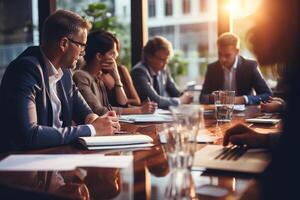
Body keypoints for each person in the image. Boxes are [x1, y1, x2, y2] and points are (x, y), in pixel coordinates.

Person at [0, 10, 120, 153]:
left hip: (57, 158)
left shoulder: (66, 73)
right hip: (23, 165)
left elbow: (85, 112)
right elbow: (29, 135)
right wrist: (92, 129)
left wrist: (97, 120)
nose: (83, 53)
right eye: (81, 45)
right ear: (64, 43)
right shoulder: (25, 70)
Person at [223, 0, 300, 198]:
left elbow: (287, 173)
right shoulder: (292, 70)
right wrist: (263, 139)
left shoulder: (250, 65)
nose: (253, 32)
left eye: (259, 19)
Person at [73, 30, 157, 115]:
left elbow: (121, 104)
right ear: (98, 56)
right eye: (112, 54)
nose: (116, 56)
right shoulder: (81, 76)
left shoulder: (98, 76)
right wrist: (140, 110)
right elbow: (99, 111)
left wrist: (117, 78)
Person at [199, 32, 272, 105]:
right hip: (220, 113)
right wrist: (212, 97)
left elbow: (267, 95)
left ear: (237, 51)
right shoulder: (212, 68)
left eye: (227, 55)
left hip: (246, 113)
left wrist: (243, 99)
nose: (222, 59)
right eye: (220, 54)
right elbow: (202, 98)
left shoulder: (250, 66)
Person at [131, 36, 193, 109]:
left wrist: (186, 95)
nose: (166, 62)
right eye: (162, 59)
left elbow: (176, 93)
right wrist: (181, 100)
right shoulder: (139, 72)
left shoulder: (163, 70)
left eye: (167, 58)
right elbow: (156, 101)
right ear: (149, 57)